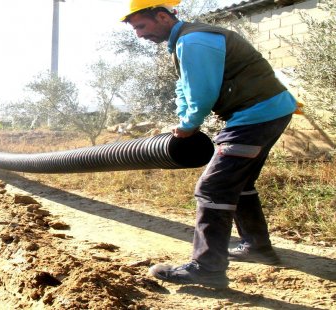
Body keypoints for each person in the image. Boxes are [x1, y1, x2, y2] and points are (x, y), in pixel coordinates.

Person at [120, 0, 298, 288]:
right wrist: (182, 120)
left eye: (141, 26)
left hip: (256, 115)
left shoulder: (193, 41)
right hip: (268, 111)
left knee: (213, 187)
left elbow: (202, 93)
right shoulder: (185, 41)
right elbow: (185, 88)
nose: (139, 34)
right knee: (238, 182)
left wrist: (189, 126)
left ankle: (207, 268)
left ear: (163, 16)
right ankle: (256, 247)